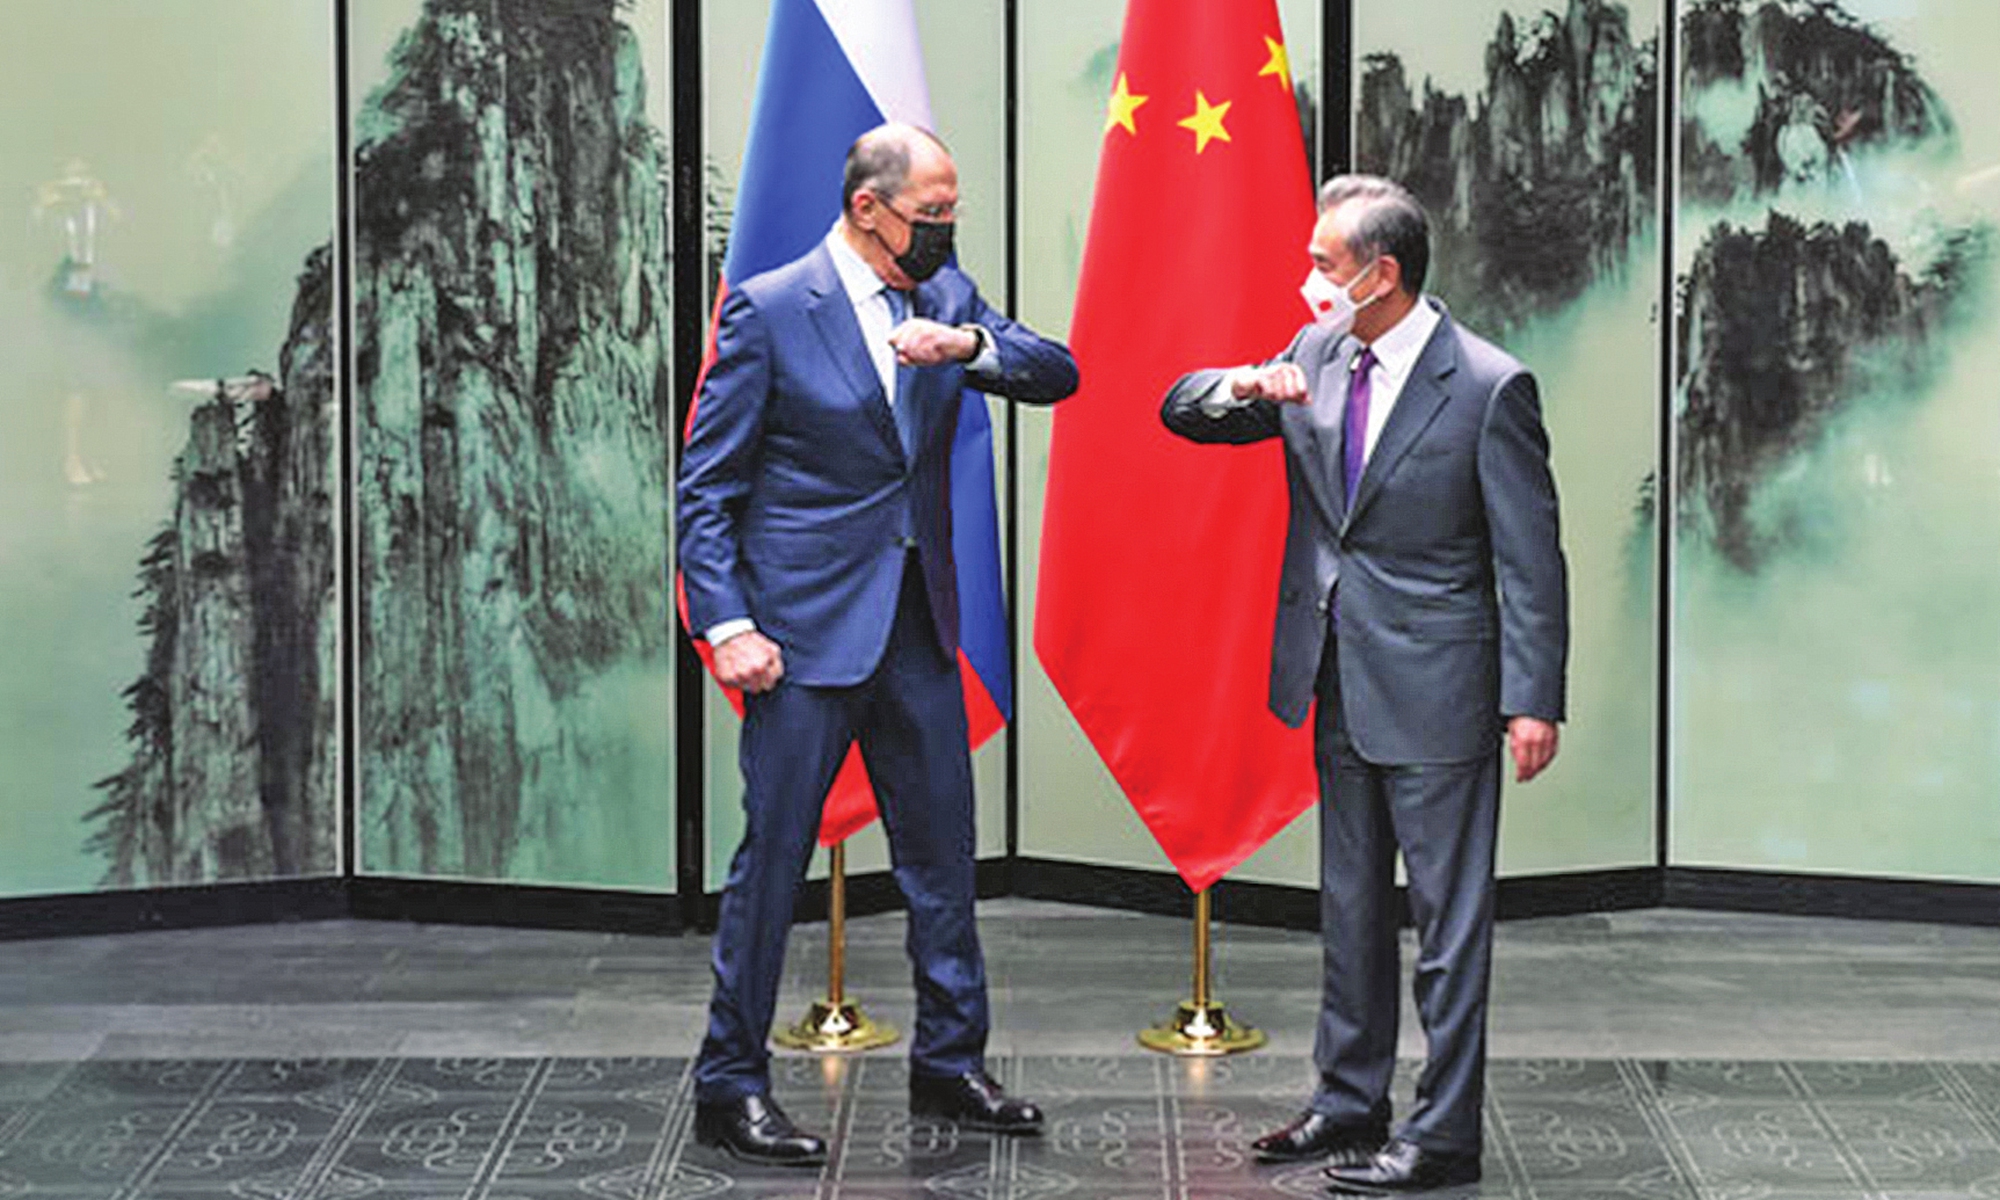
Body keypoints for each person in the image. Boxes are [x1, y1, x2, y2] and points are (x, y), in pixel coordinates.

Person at [679, 123, 1079, 1167]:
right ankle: (729, 1083)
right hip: (799, 635)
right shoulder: (770, 309)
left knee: (942, 858)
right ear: (868, 207)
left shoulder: (944, 298)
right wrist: (726, 626)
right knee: (771, 865)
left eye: (950, 215)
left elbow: (1057, 371)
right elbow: (707, 490)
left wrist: (969, 346)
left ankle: (950, 1061)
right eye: (930, 215)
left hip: (916, 624)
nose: (944, 233)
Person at [1161, 175, 1567, 1194]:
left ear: (1379, 275)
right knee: (1347, 909)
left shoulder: (1484, 384)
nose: (1307, 281)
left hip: (1439, 685)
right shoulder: (1313, 354)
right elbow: (1182, 410)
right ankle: (1347, 1103)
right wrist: (1244, 387)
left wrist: (1532, 696)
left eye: (1322, 265)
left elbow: (1529, 558)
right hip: (1334, 672)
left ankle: (1441, 1134)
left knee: (1445, 927)